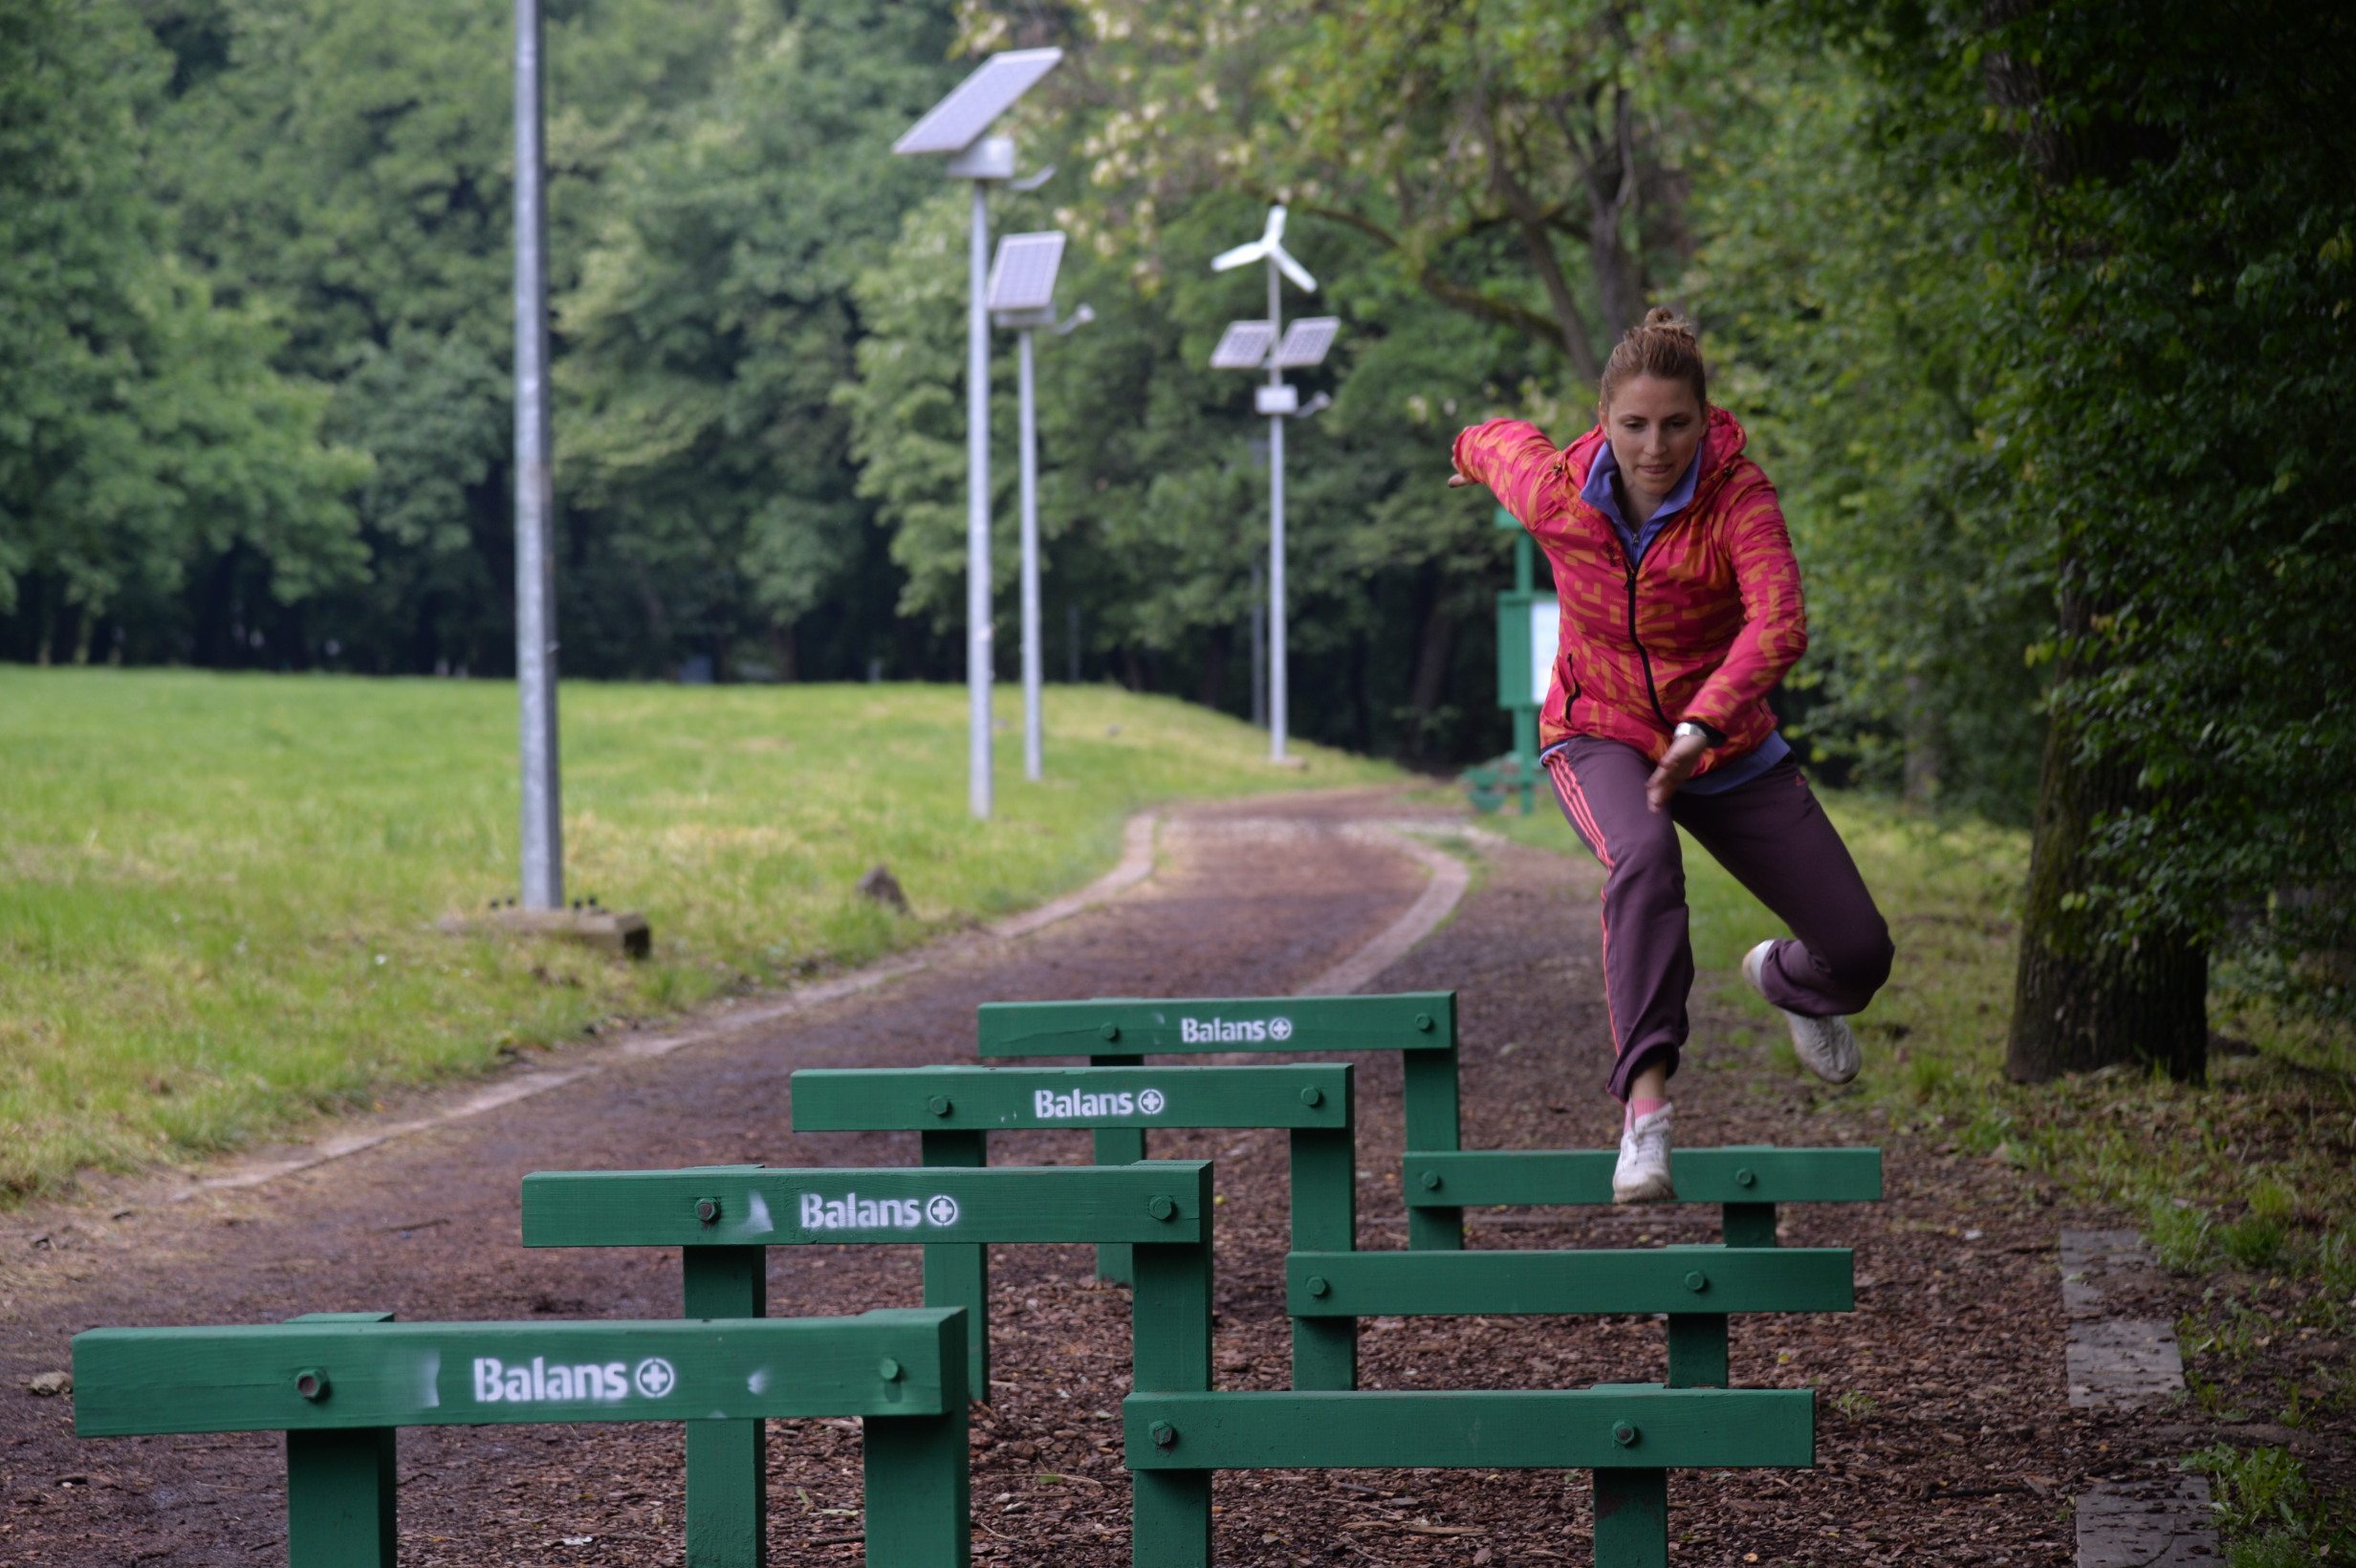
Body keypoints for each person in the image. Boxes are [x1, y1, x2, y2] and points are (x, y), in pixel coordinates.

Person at [1449, 307, 1894, 1203]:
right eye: (1635, 426)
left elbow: (1780, 620)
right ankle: (1646, 1121)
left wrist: (1703, 724)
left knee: (1859, 953)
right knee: (1644, 860)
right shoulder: (1560, 493)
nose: (1657, 447)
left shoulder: (1739, 497)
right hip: (1599, 727)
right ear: (1604, 421)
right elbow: (1491, 440)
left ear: (1706, 419)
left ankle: (1783, 977)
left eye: (1677, 425)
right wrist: (1462, 455)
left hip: (1723, 742)